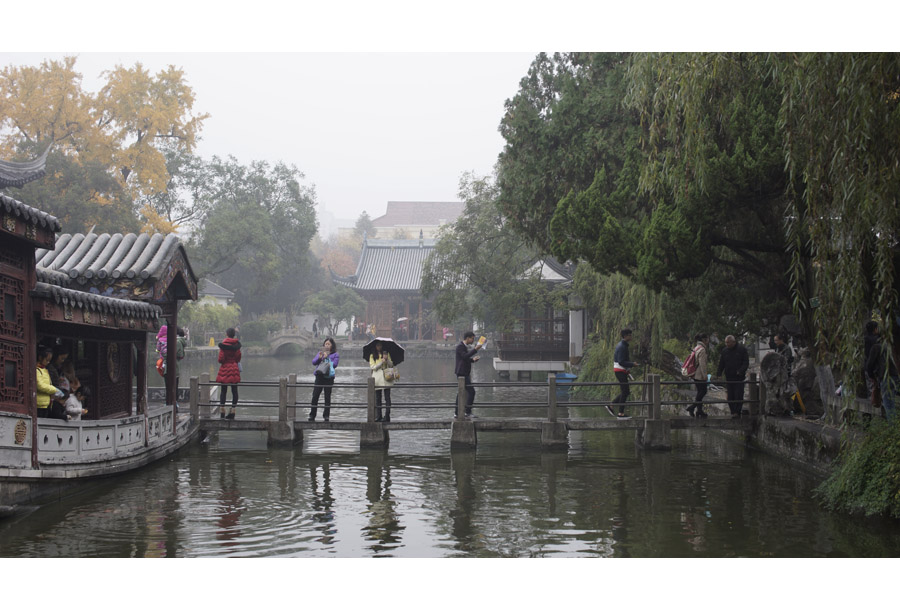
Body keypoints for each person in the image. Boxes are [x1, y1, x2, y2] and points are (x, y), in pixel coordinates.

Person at [865, 322, 900, 421]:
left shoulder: (875, 346)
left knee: (889, 405)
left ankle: (892, 427)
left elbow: (869, 365)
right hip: (895, 376)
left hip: (885, 377)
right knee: (890, 402)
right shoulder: (890, 346)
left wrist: (872, 377)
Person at [716, 334, 750, 417]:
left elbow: (746, 362)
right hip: (729, 376)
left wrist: (741, 370)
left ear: (733, 342)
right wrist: (719, 373)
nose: (727, 344)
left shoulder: (741, 349)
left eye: (728, 342)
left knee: (738, 395)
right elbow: (721, 363)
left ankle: (737, 411)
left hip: (739, 377)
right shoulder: (725, 351)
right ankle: (733, 411)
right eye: (726, 343)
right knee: (730, 396)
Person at [309, 337, 339, 422]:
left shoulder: (335, 354)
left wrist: (327, 358)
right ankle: (312, 415)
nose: (327, 345)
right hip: (319, 377)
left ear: (332, 345)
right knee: (315, 396)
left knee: (327, 397)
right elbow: (313, 362)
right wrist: (320, 358)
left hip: (328, 378)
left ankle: (326, 416)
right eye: (326, 344)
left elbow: (335, 364)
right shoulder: (320, 353)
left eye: (329, 344)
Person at [454, 331, 483, 418]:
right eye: (472, 338)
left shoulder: (463, 346)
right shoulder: (460, 346)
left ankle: (457, 413)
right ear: (467, 338)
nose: (473, 340)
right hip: (461, 373)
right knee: (471, 391)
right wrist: (476, 349)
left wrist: (473, 360)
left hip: (464, 372)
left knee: (461, 392)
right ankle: (467, 412)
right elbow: (465, 356)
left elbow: (465, 358)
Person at [216, 327, 242, 420]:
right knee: (234, 391)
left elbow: (221, 359)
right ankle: (233, 411)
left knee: (223, 391)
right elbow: (238, 358)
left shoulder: (223, 345)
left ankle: (222, 411)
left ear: (226, 334)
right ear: (234, 335)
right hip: (234, 368)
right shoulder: (236, 346)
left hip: (225, 368)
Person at [611, 329, 636, 418]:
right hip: (620, 370)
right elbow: (621, 361)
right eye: (630, 335)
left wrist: (628, 368)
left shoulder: (622, 345)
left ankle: (612, 405)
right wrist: (632, 364)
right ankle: (620, 413)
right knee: (625, 391)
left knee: (626, 391)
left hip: (621, 370)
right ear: (625, 336)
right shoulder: (622, 346)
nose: (631, 336)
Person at [369, 340, 395, 422]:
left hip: (387, 377)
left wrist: (387, 360)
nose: (379, 347)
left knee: (387, 397)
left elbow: (391, 365)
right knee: (378, 398)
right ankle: (379, 416)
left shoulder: (387, 354)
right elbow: (373, 367)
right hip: (377, 378)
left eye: (380, 345)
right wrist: (381, 362)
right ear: (375, 346)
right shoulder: (372, 356)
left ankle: (387, 416)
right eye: (377, 345)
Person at [36, 345, 64, 419]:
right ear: (40, 358)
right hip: (39, 403)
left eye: (49, 360)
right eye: (47, 360)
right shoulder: (37, 370)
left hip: (47, 403)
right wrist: (54, 390)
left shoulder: (45, 370)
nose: (48, 362)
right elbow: (40, 385)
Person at [687, 333, 710, 418]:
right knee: (703, 391)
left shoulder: (696, 347)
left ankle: (699, 411)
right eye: (707, 339)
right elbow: (702, 364)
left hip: (695, 374)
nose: (708, 341)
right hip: (700, 375)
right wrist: (705, 375)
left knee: (699, 392)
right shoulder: (702, 349)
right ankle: (692, 407)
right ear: (704, 339)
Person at [863, 320, 880, 402]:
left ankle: (872, 402)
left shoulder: (865, 339)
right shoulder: (877, 340)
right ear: (875, 329)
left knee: (871, 389)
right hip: (876, 367)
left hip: (868, 366)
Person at [175, 327, 187, 406]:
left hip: (173, 367)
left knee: (174, 386)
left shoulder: (177, 342)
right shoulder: (180, 342)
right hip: (176, 366)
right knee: (175, 385)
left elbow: (178, 354)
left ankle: (174, 403)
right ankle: (175, 402)